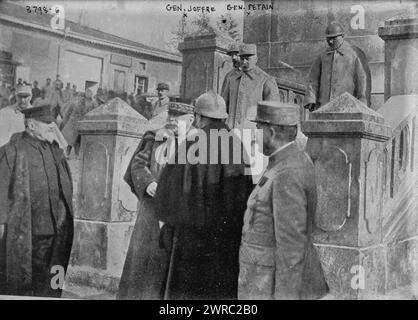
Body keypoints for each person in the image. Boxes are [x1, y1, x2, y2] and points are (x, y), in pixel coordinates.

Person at [154, 91, 253, 300]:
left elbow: (166, 190)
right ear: (224, 118)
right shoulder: (238, 145)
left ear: (198, 117)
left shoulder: (191, 144)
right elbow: (246, 194)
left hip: (191, 239)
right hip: (227, 240)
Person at [238, 101, 328, 300]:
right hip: (263, 278)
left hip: (267, 285)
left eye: (258, 129)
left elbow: (291, 248)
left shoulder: (287, 172)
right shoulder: (286, 162)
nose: (255, 135)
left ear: (270, 133)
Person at [117, 102, 196, 300]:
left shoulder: (198, 144)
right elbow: (138, 164)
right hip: (151, 211)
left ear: (191, 120)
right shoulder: (155, 137)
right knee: (145, 262)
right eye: (170, 115)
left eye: (177, 118)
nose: (171, 120)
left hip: (179, 213)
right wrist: (148, 183)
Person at [0, 105, 74, 297]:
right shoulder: (12, 150)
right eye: (47, 123)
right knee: (23, 281)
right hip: (26, 231)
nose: (52, 127)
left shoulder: (54, 151)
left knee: (52, 279)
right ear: (31, 125)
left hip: (56, 230)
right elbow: (1, 187)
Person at [303, 21, 371, 112]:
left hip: (347, 108)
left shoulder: (355, 54)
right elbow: (313, 79)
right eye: (328, 38)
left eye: (334, 38)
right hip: (324, 107)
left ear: (342, 36)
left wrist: (363, 103)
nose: (330, 41)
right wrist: (311, 99)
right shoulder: (322, 56)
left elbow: (363, 80)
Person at [222, 43, 280, 130]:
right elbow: (223, 106)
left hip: (253, 133)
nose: (244, 62)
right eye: (242, 58)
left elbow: (273, 113)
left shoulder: (266, 80)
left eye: (247, 59)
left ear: (256, 59)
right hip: (230, 130)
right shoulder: (230, 77)